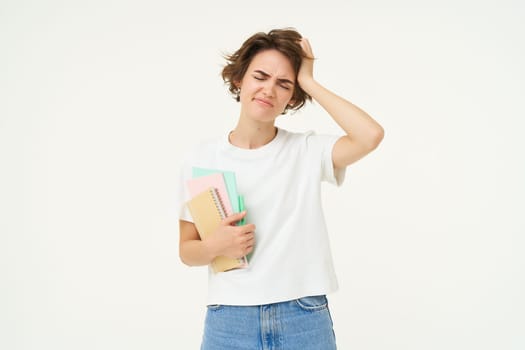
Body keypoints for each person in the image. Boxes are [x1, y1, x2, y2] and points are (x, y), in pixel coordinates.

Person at [177, 28, 384, 349]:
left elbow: (369, 135)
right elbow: (186, 251)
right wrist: (214, 246)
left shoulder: (306, 150)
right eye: (260, 76)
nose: (269, 89)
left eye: (284, 84)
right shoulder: (202, 158)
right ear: (239, 80)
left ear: (293, 97)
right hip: (229, 318)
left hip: (303, 314)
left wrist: (311, 82)